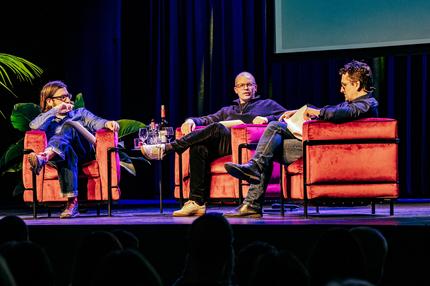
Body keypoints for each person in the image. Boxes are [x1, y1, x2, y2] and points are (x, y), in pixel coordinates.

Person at [224, 60, 379, 217]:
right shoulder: (353, 104)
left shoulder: (367, 104)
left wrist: (314, 112)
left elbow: (338, 113)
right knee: (271, 138)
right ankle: (253, 187)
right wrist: (300, 111)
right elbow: (333, 111)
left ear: (357, 84)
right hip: (316, 146)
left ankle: (252, 198)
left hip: (324, 151)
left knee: (271, 136)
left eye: (344, 85)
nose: (341, 89)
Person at [141, 72, 286, 217]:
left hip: (247, 147)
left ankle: (168, 147)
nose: (246, 88)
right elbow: (207, 119)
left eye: (249, 85)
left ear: (256, 87)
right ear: (236, 89)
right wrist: (191, 121)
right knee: (199, 147)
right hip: (225, 145)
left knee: (217, 127)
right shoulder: (228, 110)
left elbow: (286, 117)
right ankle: (196, 202)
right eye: (242, 85)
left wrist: (267, 119)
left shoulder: (267, 104)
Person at [27, 80, 120, 219]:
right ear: (50, 101)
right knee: (67, 151)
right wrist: (55, 110)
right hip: (59, 157)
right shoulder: (47, 118)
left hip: (83, 152)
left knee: (69, 125)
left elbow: (96, 122)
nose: (68, 99)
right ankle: (72, 203)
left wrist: (108, 123)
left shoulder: (79, 113)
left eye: (67, 95)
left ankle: (43, 157)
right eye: (62, 97)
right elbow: (34, 127)